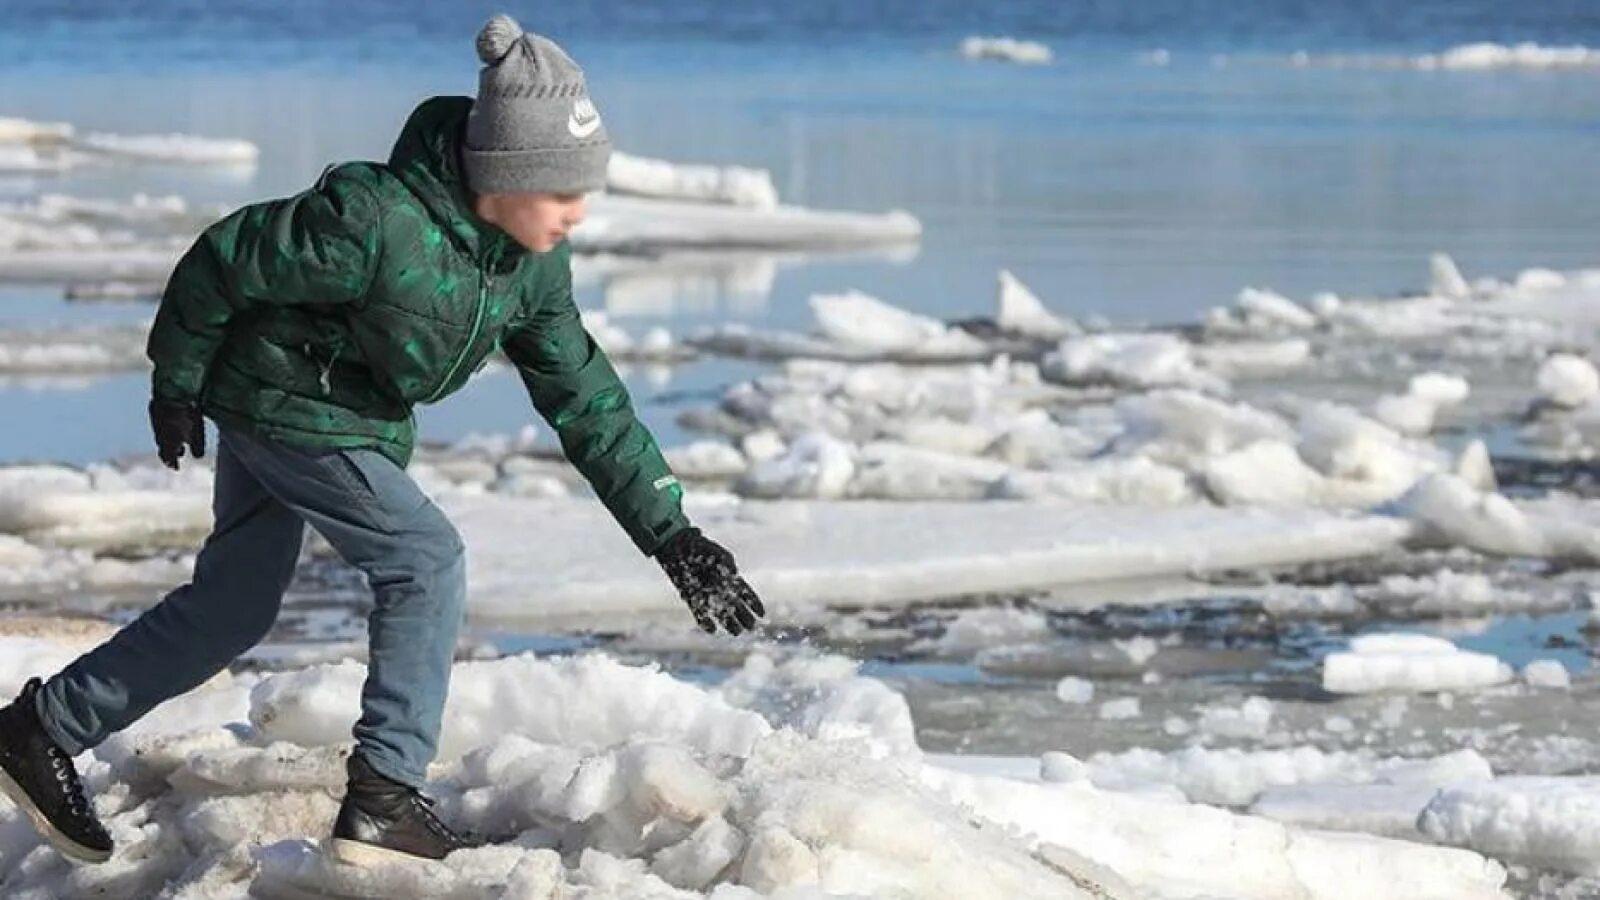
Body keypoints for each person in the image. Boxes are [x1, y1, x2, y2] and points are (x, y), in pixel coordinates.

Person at [0, 13, 764, 868]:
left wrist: (674, 535)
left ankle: (38, 730)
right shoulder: (372, 220)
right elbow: (224, 259)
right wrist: (174, 383)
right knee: (425, 560)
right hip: (287, 403)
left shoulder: (529, 270)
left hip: (332, 415)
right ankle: (384, 797)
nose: (577, 213)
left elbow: (586, 397)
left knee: (235, 606)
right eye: (562, 191)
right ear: (503, 175)